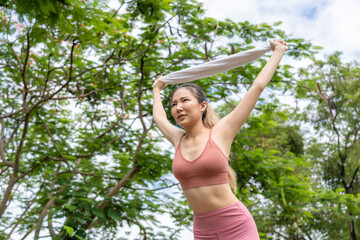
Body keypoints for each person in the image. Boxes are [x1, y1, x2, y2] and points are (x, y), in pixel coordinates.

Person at [152, 40, 288, 240]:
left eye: (184, 100)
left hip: (237, 227)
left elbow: (257, 88)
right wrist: (157, 90)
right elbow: (159, 118)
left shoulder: (221, 131)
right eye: (173, 104)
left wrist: (278, 51)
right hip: (202, 232)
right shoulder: (177, 138)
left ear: (202, 106)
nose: (178, 107)